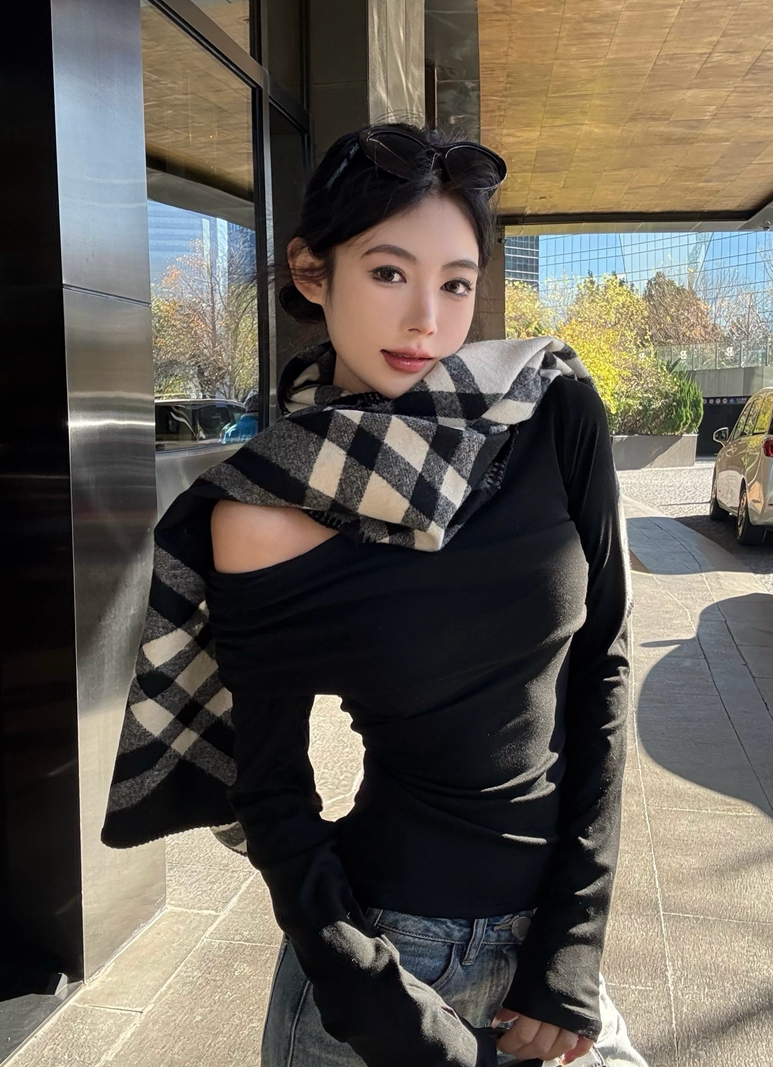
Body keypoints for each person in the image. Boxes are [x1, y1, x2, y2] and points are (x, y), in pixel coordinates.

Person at [101, 124, 648, 1067]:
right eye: (390, 272)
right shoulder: (264, 507)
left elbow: (604, 658)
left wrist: (574, 938)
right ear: (312, 272)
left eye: (457, 283)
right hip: (384, 966)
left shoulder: (549, 409)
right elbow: (270, 789)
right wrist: (384, 1007)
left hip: (549, 959)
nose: (426, 321)